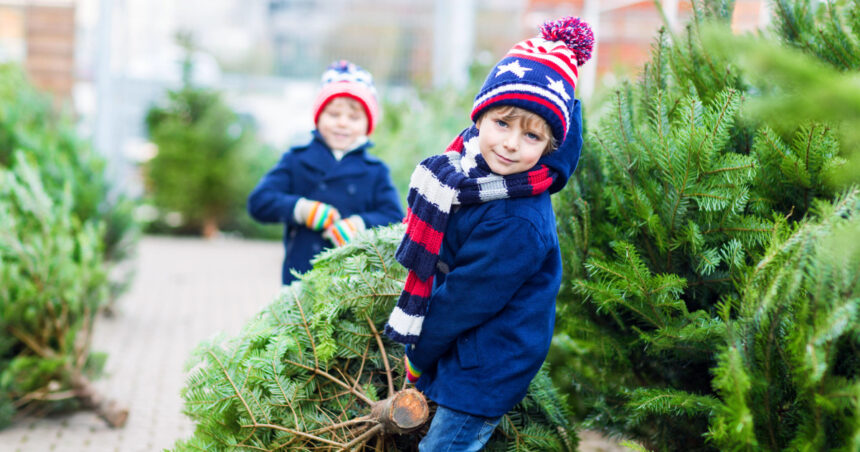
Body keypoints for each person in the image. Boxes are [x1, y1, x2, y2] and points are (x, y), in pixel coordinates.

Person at [384, 17, 594, 451]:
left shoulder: (517, 221)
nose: (512, 144)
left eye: (532, 135)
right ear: (479, 117)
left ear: (549, 148)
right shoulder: (464, 173)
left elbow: (465, 298)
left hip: (489, 363)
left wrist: (417, 357)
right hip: (465, 344)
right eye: (502, 123)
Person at [248, 60, 404, 285]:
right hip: (301, 279)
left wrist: (359, 225)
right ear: (318, 116)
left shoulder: (375, 171)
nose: (342, 123)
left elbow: (394, 218)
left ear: (368, 124)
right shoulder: (297, 160)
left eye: (353, 118)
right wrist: (302, 209)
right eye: (333, 114)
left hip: (355, 285)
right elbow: (259, 202)